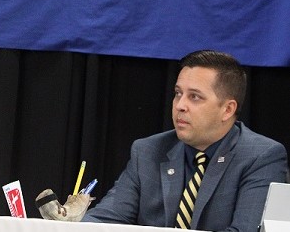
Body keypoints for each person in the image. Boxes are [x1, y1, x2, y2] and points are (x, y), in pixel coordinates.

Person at [82, 50, 288, 231]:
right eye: (178, 94)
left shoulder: (261, 156)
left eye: (195, 97)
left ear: (227, 109)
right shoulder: (148, 150)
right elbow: (105, 220)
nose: (180, 105)